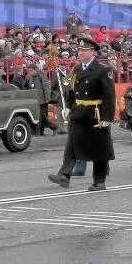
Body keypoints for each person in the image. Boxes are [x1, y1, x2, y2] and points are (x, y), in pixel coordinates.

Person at [48, 37, 115, 191]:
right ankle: (64, 175)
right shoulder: (76, 69)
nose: (81, 53)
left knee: (99, 148)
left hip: (95, 112)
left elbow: (109, 95)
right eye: (80, 50)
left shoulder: (103, 70)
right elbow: (72, 89)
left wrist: (107, 117)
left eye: (84, 50)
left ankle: (99, 181)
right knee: (72, 144)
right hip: (79, 111)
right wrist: (69, 106)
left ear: (93, 52)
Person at [23, 62, 56, 135]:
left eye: (31, 70)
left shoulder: (42, 76)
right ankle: (48, 129)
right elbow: (26, 87)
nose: (30, 72)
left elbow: (46, 88)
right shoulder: (29, 77)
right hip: (34, 101)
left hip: (42, 100)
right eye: (29, 71)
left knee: (40, 117)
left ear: (35, 70)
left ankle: (38, 132)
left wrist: (47, 99)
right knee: (41, 117)